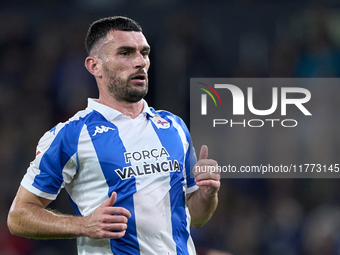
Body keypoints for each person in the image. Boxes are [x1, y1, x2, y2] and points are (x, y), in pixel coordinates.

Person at [7, 16, 220, 255]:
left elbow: (198, 218)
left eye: (144, 53)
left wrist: (207, 194)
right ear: (94, 66)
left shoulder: (174, 126)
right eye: (126, 53)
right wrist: (84, 225)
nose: (140, 62)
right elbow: (19, 216)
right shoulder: (71, 135)